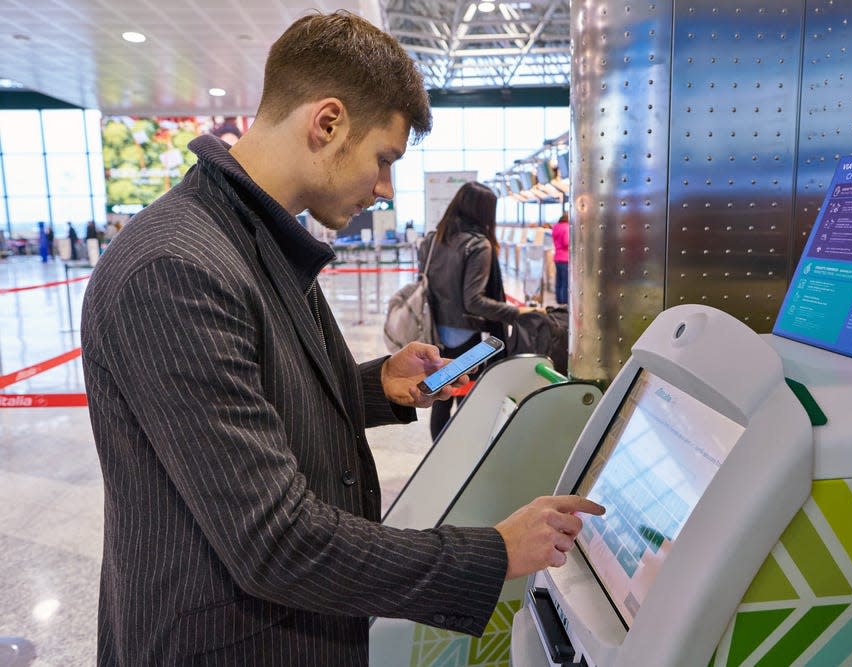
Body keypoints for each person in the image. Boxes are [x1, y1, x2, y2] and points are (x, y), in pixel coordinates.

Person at [80, 11, 603, 666]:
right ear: (326, 123)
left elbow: (245, 406)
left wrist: (374, 386)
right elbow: (275, 541)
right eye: (383, 159)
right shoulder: (177, 268)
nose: (384, 189)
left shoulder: (252, 239)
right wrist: (494, 550)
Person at [419, 181, 539, 440]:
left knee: (441, 397)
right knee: (466, 397)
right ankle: (462, 454)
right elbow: (474, 301)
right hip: (464, 334)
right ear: (485, 212)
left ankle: (439, 455)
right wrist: (517, 312)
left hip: (434, 330)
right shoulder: (478, 245)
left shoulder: (433, 239)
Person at [552, 211, 570, 305]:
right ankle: (564, 302)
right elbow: (567, 242)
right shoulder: (566, 227)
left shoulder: (556, 227)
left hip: (557, 257)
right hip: (565, 258)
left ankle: (559, 299)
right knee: (565, 281)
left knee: (558, 280)